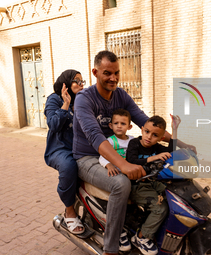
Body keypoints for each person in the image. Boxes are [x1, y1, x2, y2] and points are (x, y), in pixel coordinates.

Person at [73, 50, 196, 255]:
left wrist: (179, 142)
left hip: (117, 155)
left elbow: (143, 120)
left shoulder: (120, 95)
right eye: (107, 73)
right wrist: (124, 165)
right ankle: (111, 248)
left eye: (117, 73)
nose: (113, 78)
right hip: (88, 158)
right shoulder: (84, 99)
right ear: (95, 72)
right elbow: (95, 137)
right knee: (121, 183)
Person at [126, 115, 181, 255]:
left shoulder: (157, 147)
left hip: (153, 183)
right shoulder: (134, 143)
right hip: (136, 185)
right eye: (147, 132)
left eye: (155, 135)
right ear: (142, 130)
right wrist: (153, 158)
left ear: (161, 138)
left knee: (174, 197)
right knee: (160, 208)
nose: (149, 137)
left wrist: (175, 130)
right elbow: (131, 160)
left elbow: (171, 152)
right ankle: (141, 237)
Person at [44, 69, 85, 234]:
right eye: (77, 81)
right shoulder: (54, 99)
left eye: (83, 81)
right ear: (66, 83)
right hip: (59, 149)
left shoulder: (81, 100)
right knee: (69, 167)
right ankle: (69, 210)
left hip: (79, 147)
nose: (81, 85)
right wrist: (66, 104)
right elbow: (53, 125)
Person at [99, 109, 134, 177]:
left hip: (130, 170)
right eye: (116, 123)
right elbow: (102, 156)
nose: (119, 126)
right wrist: (109, 165)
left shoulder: (132, 140)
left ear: (129, 127)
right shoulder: (110, 141)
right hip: (116, 172)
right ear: (111, 126)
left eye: (123, 123)